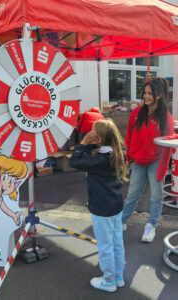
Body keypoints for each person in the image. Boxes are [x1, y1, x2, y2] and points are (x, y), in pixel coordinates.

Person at [70, 119, 127, 293]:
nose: (90, 134)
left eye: (94, 133)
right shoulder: (116, 152)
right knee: (117, 242)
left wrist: (83, 143)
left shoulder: (100, 160)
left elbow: (75, 162)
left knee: (105, 246)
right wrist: (89, 145)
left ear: (100, 139)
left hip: (102, 208)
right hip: (116, 205)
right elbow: (85, 161)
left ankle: (108, 280)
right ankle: (118, 276)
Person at [122, 78, 174, 243]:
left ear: (158, 95)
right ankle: (122, 221)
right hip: (138, 160)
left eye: (149, 93)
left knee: (156, 196)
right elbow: (129, 135)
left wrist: (162, 169)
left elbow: (168, 147)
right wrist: (128, 158)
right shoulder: (137, 113)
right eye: (144, 92)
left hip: (156, 162)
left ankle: (151, 225)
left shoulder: (166, 118)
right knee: (132, 195)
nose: (145, 96)